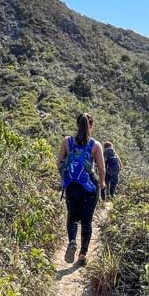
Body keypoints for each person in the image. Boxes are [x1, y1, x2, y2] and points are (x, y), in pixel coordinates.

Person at [57, 112, 106, 265]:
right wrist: (102, 184)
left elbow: (59, 163)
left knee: (72, 217)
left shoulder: (67, 141)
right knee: (87, 221)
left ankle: (72, 241)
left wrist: (65, 178)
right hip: (90, 187)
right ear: (91, 126)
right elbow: (102, 169)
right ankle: (83, 255)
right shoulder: (95, 145)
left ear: (77, 125)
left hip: (72, 186)